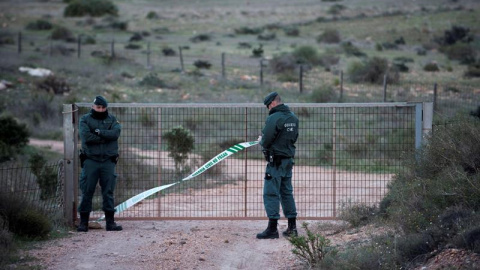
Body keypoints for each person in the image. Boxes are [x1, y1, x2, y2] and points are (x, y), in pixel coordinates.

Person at [257, 91, 299, 239]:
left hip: (275, 162)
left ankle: (272, 229)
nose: (268, 108)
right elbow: (293, 137)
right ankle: (292, 227)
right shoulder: (293, 118)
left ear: (273, 103)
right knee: (287, 192)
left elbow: (267, 139)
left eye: (268, 106)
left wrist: (262, 140)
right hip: (288, 160)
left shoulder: (274, 118)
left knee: (271, 193)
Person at [77, 95, 122, 232]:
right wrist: (105, 137)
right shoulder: (85, 119)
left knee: (108, 192)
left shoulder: (112, 119)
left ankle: (110, 223)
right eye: (98, 107)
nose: (101, 110)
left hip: (108, 161)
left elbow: (115, 134)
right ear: (93, 107)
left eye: (103, 107)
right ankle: (83, 223)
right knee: (87, 191)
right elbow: (86, 137)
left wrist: (98, 132)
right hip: (91, 160)